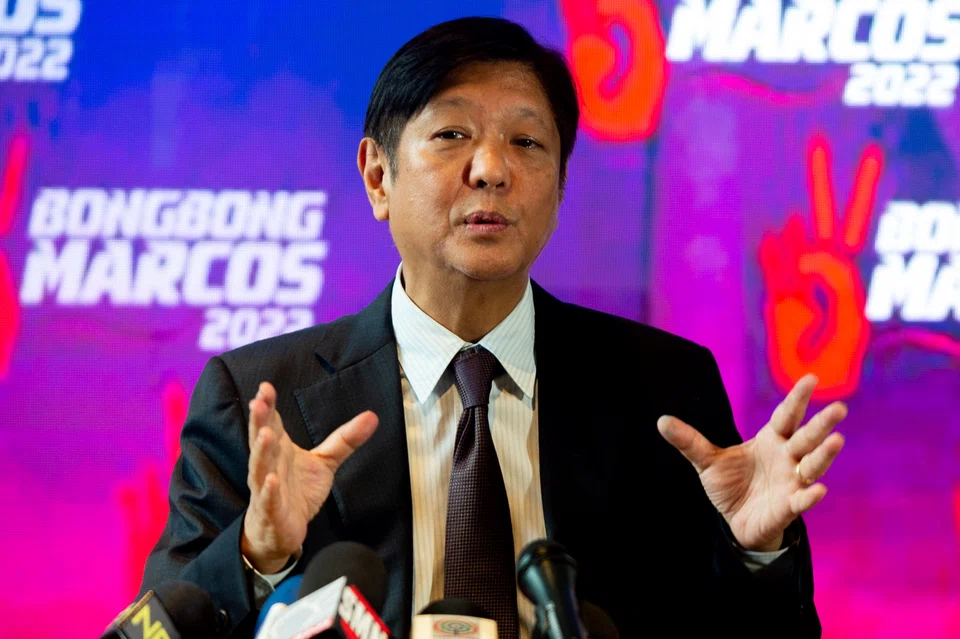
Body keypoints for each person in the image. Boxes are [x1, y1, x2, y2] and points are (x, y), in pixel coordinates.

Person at [141, 16, 845, 639]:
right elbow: (163, 624)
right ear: (378, 176)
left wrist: (757, 552)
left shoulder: (663, 389)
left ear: (560, 188)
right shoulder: (260, 397)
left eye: (527, 142)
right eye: (452, 135)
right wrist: (258, 553)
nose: (491, 170)